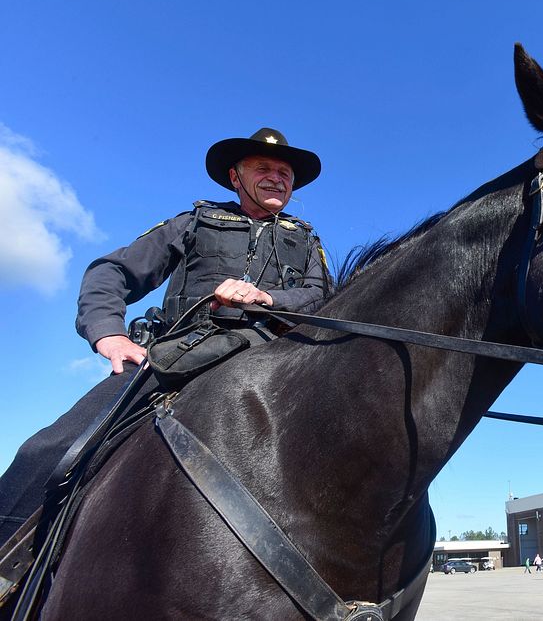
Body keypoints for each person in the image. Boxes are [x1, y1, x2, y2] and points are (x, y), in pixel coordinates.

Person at [0, 128, 330, 545]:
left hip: (276, 358)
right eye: (262, 168)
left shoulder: (306, 240)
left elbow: (322, 298)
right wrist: (109, 335)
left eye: (284, 172)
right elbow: (111, 272)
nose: (277, 178)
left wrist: (268, 297)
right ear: (234, 177)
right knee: (48, 450)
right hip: (182, 355)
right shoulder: (193, 221)